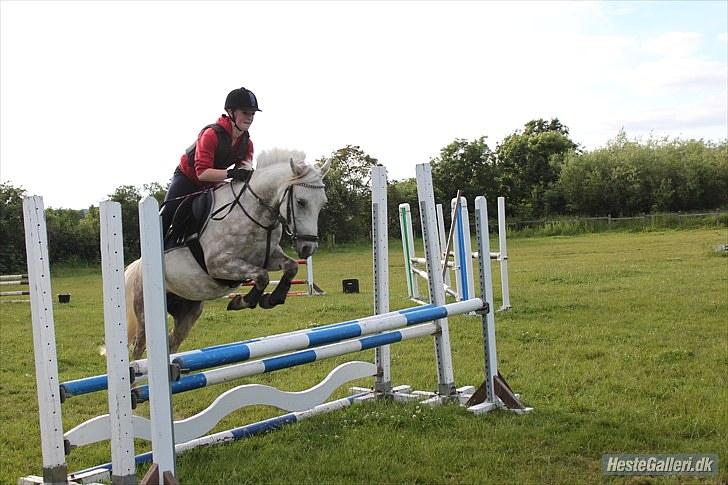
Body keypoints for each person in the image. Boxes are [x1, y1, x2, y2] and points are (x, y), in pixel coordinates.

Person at [161, 86, 261, 237]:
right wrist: (232, 173)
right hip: (188, 178)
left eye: (252, 113)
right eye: (245, 113)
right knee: (167, 214)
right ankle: (151, 253)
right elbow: (202, 173)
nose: (250, 118)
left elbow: (243, 174)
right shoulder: (211, 134)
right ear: (231, 112)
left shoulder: (247, 143)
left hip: (212, 184)